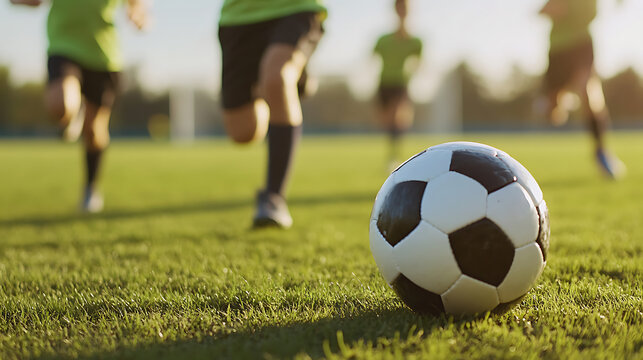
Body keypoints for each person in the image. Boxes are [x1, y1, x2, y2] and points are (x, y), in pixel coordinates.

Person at [9, 0, 148, 212]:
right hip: (64, 45)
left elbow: (136, 4)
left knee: (94, 133)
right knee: (60, 105)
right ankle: (74, 111)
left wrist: (137, 14)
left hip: (104, 56)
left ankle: (91, 188)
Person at [217, 0, 326, 229]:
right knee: (243, 132)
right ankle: (283, 82)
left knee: (277, 78)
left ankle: (273, 198)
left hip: (294, 9)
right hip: (238, 17)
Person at [540, 0, 625, 179]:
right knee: (552, 111)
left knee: (586, 89)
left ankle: (601, 151)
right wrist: (553, 10)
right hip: (557, 48)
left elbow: (592, 13)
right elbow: (542, 10)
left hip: (581, 44)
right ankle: (562, 102)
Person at [373, 0, 422, 169]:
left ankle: (395, 156)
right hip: (383, 83)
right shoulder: (383, 39)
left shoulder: (415, 41)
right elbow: (372, 58)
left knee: (397, 118)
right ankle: (391, 154)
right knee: (387, 122)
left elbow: (419, 63)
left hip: (400, 83)